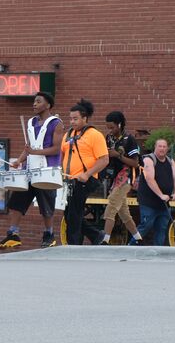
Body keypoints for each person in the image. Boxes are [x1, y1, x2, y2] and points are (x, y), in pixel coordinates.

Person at [0, 91, 65, 249]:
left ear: (48, 105)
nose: (34, 104)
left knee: (46, 206)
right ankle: (13, 234)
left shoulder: (57, 123)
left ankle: (49, 235)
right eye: (34, 101)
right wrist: (19, 161)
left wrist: (35, 152)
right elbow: (28, 148)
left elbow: (56, 149)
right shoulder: (31, 123)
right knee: (16, 202)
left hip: (47, 171)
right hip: (29, 170)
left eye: (38, 101)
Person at [59, 99, 108, 245]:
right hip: (69, 180)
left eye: (76, 118)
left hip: (86, 179)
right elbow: (62, 155)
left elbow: (104, 160)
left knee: (73, 214)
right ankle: (96, 236)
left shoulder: (94, 135)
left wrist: (86, 174)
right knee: (69, 214)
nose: (72, 122)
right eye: (71, 118)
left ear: (85, 118)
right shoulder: (67, 135)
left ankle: (73, 246)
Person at [100, 110, 143, 245]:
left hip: (127, 176)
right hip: (114, 176)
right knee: (124, 211)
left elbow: (135, 163)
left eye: (112, 127)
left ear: (119, 124)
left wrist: (117, 155)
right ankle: (138, 238)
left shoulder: (129, 139)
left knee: (112, 203)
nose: (110, 131)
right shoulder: (109, 138)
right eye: (108, 128)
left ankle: (105, 239)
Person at [135, 138, 175, 246]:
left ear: (167, 149)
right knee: (146, 226)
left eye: (164, 146)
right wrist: (160, 195)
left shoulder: (170, 161)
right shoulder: (149, 160)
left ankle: (158, 251)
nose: (162, 149)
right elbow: (149, 179)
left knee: (162, 228)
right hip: (148, 202)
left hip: (164, 203)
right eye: (160, 146)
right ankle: (131, 247)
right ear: (155, 147)